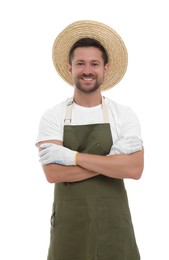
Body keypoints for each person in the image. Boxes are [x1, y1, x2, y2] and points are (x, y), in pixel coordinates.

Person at [36, 20, 144, 260]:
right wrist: (112, 162)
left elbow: (135, 169)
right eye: (80, 63)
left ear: (105, 68)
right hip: (69, 225)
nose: (87, 70)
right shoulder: (53, 116)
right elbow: (54, 173)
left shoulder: (123, 114)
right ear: (70, 68)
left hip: (114, 223)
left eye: (94, 63)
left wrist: (71, 157)